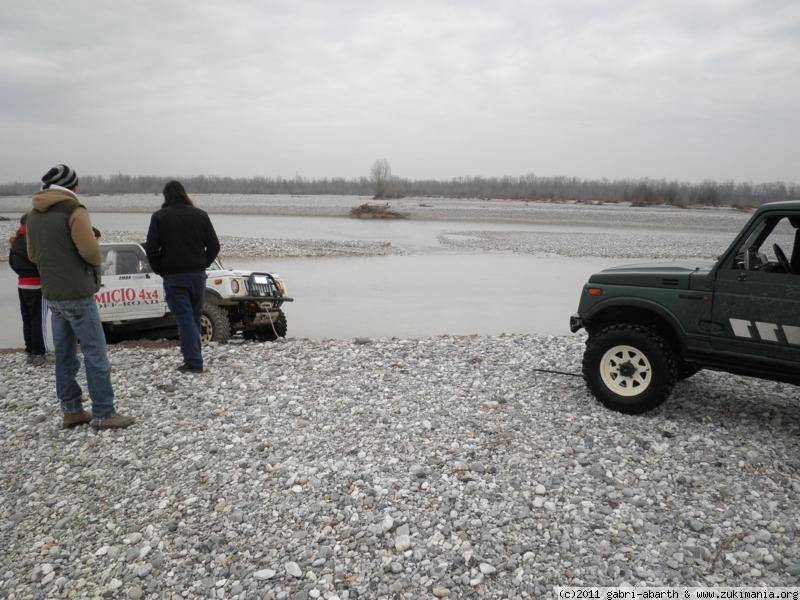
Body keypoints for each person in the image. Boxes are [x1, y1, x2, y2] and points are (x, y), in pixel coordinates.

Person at [26, 164, 134, 430]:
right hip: (77, 292)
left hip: (52, 293)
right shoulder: (74, 210)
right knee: (95, 352)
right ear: (72, 187)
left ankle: (71, 410)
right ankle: (105, 412)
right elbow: (91, 253)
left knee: (64, 354)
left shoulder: (33, 214)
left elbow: (32, 255)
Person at [145, 180, 220, 373]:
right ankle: (193, 359)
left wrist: (160, 269)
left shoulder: (159, 217)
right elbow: (214, 246)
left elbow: (151, 249)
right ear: (184, 194)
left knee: (185, 319)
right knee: (193, 317)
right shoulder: (200, 216)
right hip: (197, 276)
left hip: (174, 277)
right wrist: (203, 263)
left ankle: (194, 362)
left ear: (166, 196)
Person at [8, 213, 47, 365]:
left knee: (27, 318)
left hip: (22, 284)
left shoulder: (16, 240)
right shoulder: (34, 239)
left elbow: (12, 263)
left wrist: (22, 274)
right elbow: (41, 262)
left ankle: (29, 349)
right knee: (38, 318)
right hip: (37, 284)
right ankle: (39, 351)